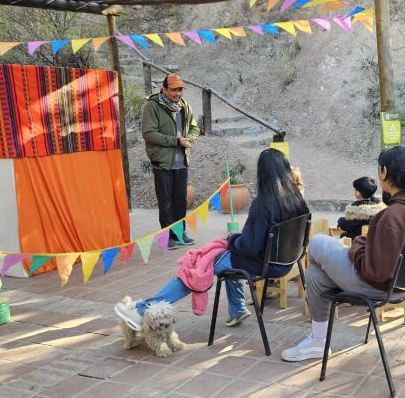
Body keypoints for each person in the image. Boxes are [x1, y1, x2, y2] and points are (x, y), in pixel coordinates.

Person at [114, 149, 309, 330]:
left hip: (261, 263)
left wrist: (232, 240)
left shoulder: (263, 204)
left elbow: (249, 247)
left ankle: (142, 310)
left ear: (263, 174)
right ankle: (238, 309)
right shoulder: (298, 201)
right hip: (287, 262)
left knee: (198, 266)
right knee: (224, 257)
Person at [281, 146, 405, 362]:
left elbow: (375, 272)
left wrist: (356, 247)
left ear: (383, 172)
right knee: (315, 275)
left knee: (317, 242)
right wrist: (368, 244)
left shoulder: (394, 216)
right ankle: (318, 341)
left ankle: (318, 341)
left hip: (378, 286)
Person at [142, 74, 200, 249]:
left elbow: (195, 128)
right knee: (165, 201)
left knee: (180, 200)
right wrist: (175, 141)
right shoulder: (152, 107)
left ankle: (179, 233)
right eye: (173, 90)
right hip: (163, 162)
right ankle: (168, 237)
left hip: (181, 161)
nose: (177, 93)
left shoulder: (184, 106)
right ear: (164, 89)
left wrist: (190, 139)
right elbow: (149, 133)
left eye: (180, 89)